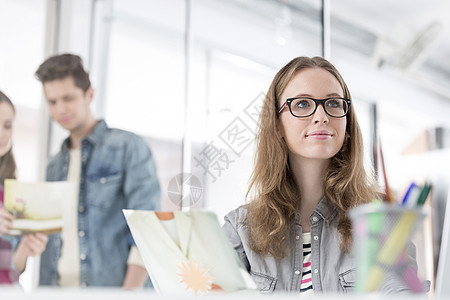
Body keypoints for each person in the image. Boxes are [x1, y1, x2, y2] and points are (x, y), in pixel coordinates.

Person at [222, 56, 421, 294]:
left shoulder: (380, 219)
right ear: (276, 124)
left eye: (334, 104)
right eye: (303, 104)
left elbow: (401, 292)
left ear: (347, 123)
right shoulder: (240, 228)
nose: (321, 116)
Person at [33, 53, 161, 288]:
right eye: (52, 101)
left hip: (112, 291)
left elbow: (148, 229)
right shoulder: (53, 166)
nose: (60, 108)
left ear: (89, 94)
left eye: (68, 98)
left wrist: (128, 293)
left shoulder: (127, 148)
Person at [0, 91, 48, 285]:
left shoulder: (10, 190)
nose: (2, 134)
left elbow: (11, 270)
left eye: (7, 125)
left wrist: (24, 250)